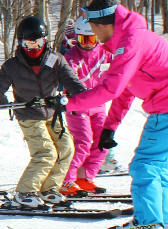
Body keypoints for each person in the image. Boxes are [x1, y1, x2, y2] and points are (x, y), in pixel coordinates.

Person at [69, 1, 168, 228]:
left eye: (92, 25)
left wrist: (67, 103)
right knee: (155, 165)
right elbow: (126, 90)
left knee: (145, 165)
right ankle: (159, 222)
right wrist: (110, 126)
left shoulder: (130, 41)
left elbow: (111, 89)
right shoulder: (125, 39)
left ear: (102, 23)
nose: (91, 31)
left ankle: (149, 223)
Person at [0, 16, 86, 209]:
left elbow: (75, 85)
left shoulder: (56, 60)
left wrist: (81, 97)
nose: (34, 48)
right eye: (28, 43)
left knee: (66, 148)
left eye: (38, 42)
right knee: (45, 153)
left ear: (45, 41)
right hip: (29, 115)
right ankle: (25, 192)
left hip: (52, 114)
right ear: (21, 43)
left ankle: (49, 189)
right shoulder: (12, 66)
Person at [59, 17, 114, 197]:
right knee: (83, 141)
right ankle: (67, 179)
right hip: (78, 105)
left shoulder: (105, 53)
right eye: (84, 40)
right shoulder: (71, 56)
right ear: (77, 39)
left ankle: (85, 177)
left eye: (92, 39)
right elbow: (68, 74)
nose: (88, 44)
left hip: (98, 104)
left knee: (102, 141)